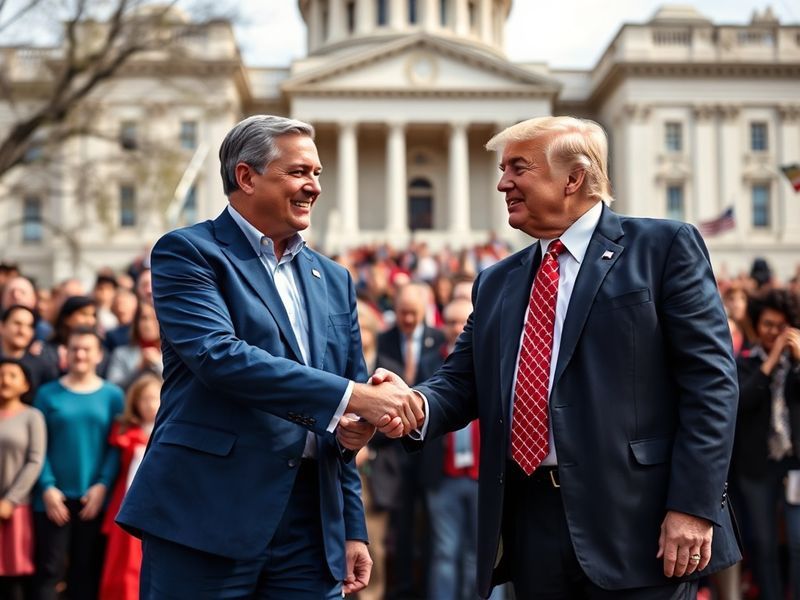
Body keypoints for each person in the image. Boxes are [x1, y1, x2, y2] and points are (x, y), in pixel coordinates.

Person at [372, 116, 741, 599]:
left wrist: (693, 506)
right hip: (532, 525)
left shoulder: (663, 248)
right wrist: (411, 406)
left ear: (573, 178)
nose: (502, 182)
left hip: (640, 523)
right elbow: (462, 383)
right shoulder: (496, 281)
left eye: (518, 168)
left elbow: (711, 385)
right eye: (503, 169)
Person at [115, 115, 421, 599]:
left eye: (318, 174)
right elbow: (219, 356)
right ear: (246, 176)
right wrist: (351, 397)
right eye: (300, 172)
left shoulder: (335, 278)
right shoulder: (189, 253)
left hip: (310, 525)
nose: (314, 187)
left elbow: (345, 416)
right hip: (207, 512)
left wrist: (351, 523)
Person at [32, 327, 124, 600]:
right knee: (49, 571)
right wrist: (47, 487)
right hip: (52, 499)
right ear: (65, 353)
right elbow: (37, 446)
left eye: (86, 349)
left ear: (98, 355)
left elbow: (116, 447)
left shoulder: (113, 395)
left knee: (86, 572)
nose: (80, 354)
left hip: (93, 500)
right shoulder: (47, 394)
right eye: (74, 349)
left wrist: (103, 486)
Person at [375, 282, 445, 600]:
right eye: (402, 312)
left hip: (429, 451)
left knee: (432, 527)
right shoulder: (384, 339)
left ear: (425, 310)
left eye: (412, 313)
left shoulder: (439, 341)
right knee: (399, 527)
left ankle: (427, 587)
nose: (406, 319)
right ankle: (402, 588)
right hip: (393, 451)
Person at [732, 289, 800, 600]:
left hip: (793, 465)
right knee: (763, 541)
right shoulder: (745, 361)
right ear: (757, 324)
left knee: (797, 541)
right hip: (756, 467)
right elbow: (740, 403)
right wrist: (770, 362)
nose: (773, 332)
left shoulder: (797, 364)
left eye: (780, 325)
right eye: (767, 324)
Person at [99, 373, 162, 600]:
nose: (150, 404)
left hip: (158, 506)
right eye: (144, 398)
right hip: (125, 500)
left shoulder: (168, 429)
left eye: (155, 398)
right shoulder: (126, 431)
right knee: (122, 557)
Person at [0, 358, 46, 600]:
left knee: (14, 580)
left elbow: (35, 460)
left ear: (25, 384)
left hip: (15, 509)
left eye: (12, 375)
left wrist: (10, 500)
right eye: (1, 374)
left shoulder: (32, 416)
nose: (4, 380)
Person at [106, 301, 162, 390]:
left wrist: (158, 364)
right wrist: (139, 369)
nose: (148, 324)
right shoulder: (121, 354)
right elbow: (113, 389)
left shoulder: (172, 353)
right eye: (144, 318)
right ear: (136, 323)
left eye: (155, 318)